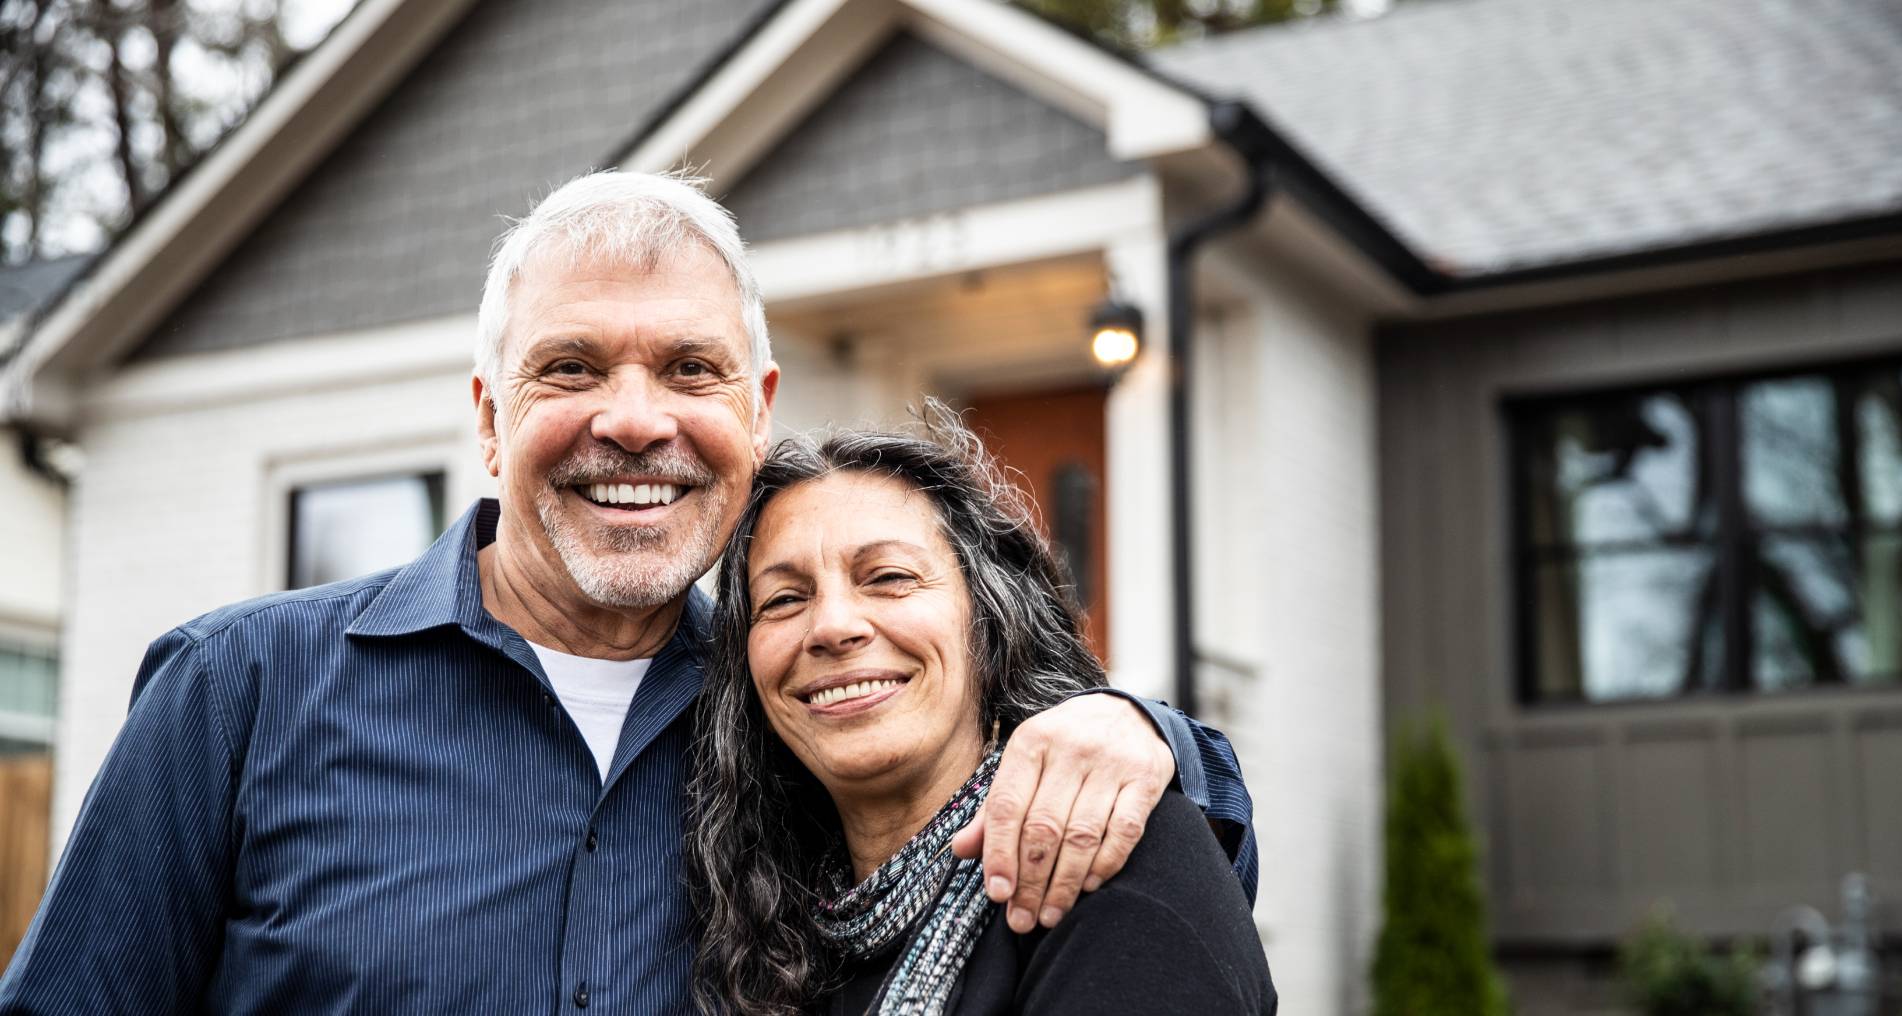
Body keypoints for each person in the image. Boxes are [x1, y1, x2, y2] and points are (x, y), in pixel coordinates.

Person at [0, 172, 1256, 1014]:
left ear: (755, 416)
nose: (637, 419)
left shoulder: (795, 721)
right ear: (492, 420)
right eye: (573, 366)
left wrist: (1143, 732)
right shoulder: (240, 692)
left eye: (691, 368)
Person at [689, 414, 1276, 1015]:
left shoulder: (1108, 853)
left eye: (889, 577)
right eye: (784, 599)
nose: (833, 626)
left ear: (992, 623)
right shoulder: (759, 927)